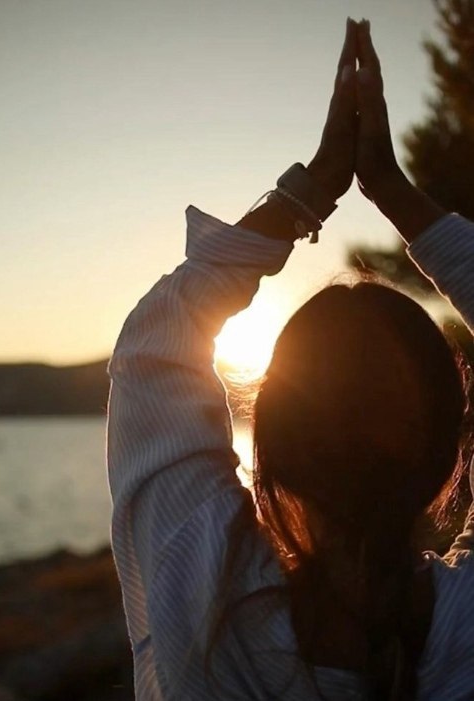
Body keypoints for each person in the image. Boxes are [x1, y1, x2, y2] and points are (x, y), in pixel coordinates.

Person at [107, 18, 474, 701]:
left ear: (272, 439)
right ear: (446, 448)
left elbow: (154, 342)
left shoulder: (205, 607)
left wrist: (311, 189)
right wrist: (394, 192)